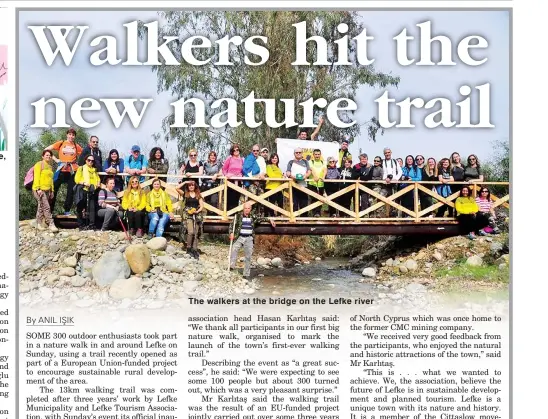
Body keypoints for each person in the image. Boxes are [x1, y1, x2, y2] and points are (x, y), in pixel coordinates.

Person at [229, 201, 276, 280]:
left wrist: (269, 220)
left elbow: (261, 219)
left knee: (248, 257)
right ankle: (231, 267)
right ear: (243, 209)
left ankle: (246, 274)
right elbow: (231, 226)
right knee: (234, 250)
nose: (247, 210)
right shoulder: (238, 216)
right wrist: (231, 233)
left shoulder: (253, 216)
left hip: (249, 238)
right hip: (239, 237)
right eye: (245, 208)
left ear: (250, 209)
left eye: (248, 208)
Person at [44, 127, 83, 215]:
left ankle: (67, 210)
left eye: (73, 135)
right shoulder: (61, 143)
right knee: (54, 189)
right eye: (70, 134)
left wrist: (81, 165)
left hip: (72, 170)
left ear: (75, 136)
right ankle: (50, 210)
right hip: (61, 168)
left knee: (71, 190)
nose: (71, 136)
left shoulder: (76, 146)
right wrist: (56, 159)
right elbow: (47, 149)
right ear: (67, 135)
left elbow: (85, 154)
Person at [176, 180, 204, 259]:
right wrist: (185, 182)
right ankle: (188, 248)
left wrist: (197, 211)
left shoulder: (198, 195)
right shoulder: (185, 194)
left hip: (196, 214)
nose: (191, 187)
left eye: (192, 185)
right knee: (190, 231)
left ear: (195, 186)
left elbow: (201, 205)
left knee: (196, 232)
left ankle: (194, 249)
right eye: (189, 185)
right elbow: (176, 188)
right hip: (187, 214)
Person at [32, 150, 58, 232]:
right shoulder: (39, 164)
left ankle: (38, 224)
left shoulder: (50, 167)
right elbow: (36, 177)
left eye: (50, 155)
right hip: (39, 189)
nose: (48, 157)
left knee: (41, 206)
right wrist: (38, 189)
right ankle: (51, 224)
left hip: (48, 190)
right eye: (47, 155)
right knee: (46, 207)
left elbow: (51, 180)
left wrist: (52, 191)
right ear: (42, 156)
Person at [74, 154, 101, 230]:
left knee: (92, 208)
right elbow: (76, 179)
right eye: (89, 160)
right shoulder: (81, 168)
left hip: (92, 190)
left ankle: (91, 224)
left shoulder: (94, 170)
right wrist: (83, 183)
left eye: (92, 161)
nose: (90, 162)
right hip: (83, 189)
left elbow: (98, 178)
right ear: (85, 160)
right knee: (80, 207)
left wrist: (98, 183)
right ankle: (81, 225)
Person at [286, 147, 311, 212]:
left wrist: (305, 176)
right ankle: (295, 219)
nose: (298, 153)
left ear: (302, 153)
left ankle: (304, 219)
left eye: (299, 152)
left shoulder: (305, 161)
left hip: (303, 185)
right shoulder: (291, 162)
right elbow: (288, 172)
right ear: (294, 154)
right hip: (293, 186)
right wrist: (292, 177)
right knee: (294, 204)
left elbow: (309, 171)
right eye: (296, 152)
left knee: (304, 204)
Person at [222, 144, 245, 211]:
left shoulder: (242, 159)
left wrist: (241, 175)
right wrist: (227, 175)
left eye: (237, 149)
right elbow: (224, 169)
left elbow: (244, 170)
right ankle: (228, 215)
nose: (236, 151)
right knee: (229, 198)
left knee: (236, 198)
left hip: (238, 181)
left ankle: (235, 215)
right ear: (232, 151)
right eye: (234, 150)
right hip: (230, 181)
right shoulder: (229, 158)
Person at [381, 147, 402, 216]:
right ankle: (382, 215)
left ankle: (393, 215)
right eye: (386, 153)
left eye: (388, 152)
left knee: (394, 200)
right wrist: (385, 178)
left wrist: (396, 178)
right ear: (384, 154)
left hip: (394, 183)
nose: (387, 154)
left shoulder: (395, 161)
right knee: (381, 198)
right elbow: (381, 172)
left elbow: (400, 171)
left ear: (391, 153)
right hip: (385, 184)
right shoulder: (382, 162)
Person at [308, 149, 326, 216]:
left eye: (318, 154)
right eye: (316, 154)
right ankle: (314, 213)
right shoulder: (310, 162)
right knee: (313, 199)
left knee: (320, 199)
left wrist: (323, 177)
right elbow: (311, 169)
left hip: (321, 184)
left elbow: (325, 170)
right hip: (312, 184)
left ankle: (318, 213)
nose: (317, 156)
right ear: (313, 155)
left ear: (320, 155)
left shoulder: (323, 162)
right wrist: (315, 176)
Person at [449, 152, 465, 216]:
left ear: (459, 157)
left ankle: (459, 215)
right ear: (452, 158)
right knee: (452, 200)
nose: (456, 158)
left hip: (462, 185)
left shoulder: (463, 166)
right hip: (453, 185)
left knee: (460, 200)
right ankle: (450, 215)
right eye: (454, 157)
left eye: (457, 156)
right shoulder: (451, 166)